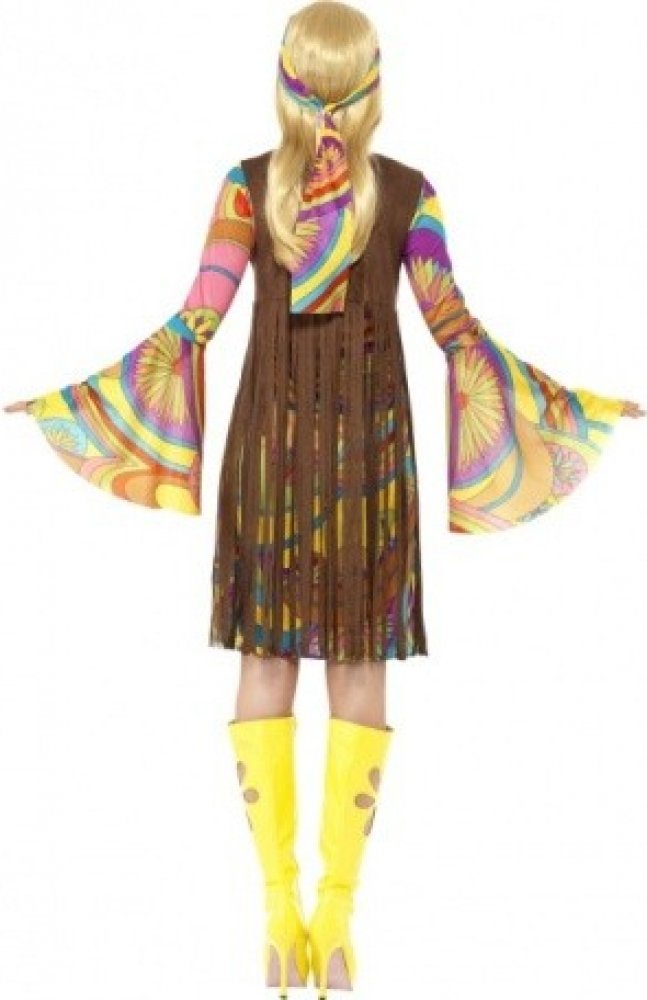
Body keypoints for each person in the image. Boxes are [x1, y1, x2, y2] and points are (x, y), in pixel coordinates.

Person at [4, 2, 644, 997]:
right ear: (373, 86)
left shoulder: (243, 189)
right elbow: (455, 331)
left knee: (264, 665)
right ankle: (335, 918)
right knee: (358, 669)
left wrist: (73, 402)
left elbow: (195, 322)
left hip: (268, 455)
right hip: (369, 462)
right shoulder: (411, 196)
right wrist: (570, 408)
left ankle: (278, 914)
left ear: (284, 82)